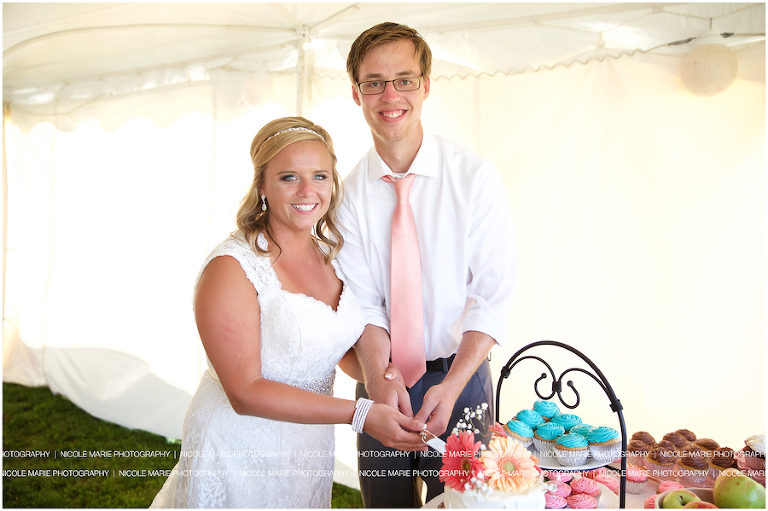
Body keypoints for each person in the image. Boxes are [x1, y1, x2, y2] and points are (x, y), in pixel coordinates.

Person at [151, 117, 427, 509]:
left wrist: (380, 376)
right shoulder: (232, 268)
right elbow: (244, 392)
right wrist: (361, 413)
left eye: (319, 176)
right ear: (261, 185)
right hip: (238, 448)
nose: (307, 191)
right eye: (288, 178)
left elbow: (332, 348)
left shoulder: (332, 254)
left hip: (306, 448)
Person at [337, 23, 517, 507]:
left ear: (426, 86)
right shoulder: (346, 195)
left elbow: (491, 297)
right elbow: (361, 304)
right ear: (356, 93)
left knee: (462, 504)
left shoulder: (475, 179)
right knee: (385, 502)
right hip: (379, 378)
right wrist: (378, 380)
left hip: (462, 376)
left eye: (404, 79)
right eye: (373, 81)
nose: (389, 94)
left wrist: (455, 383)